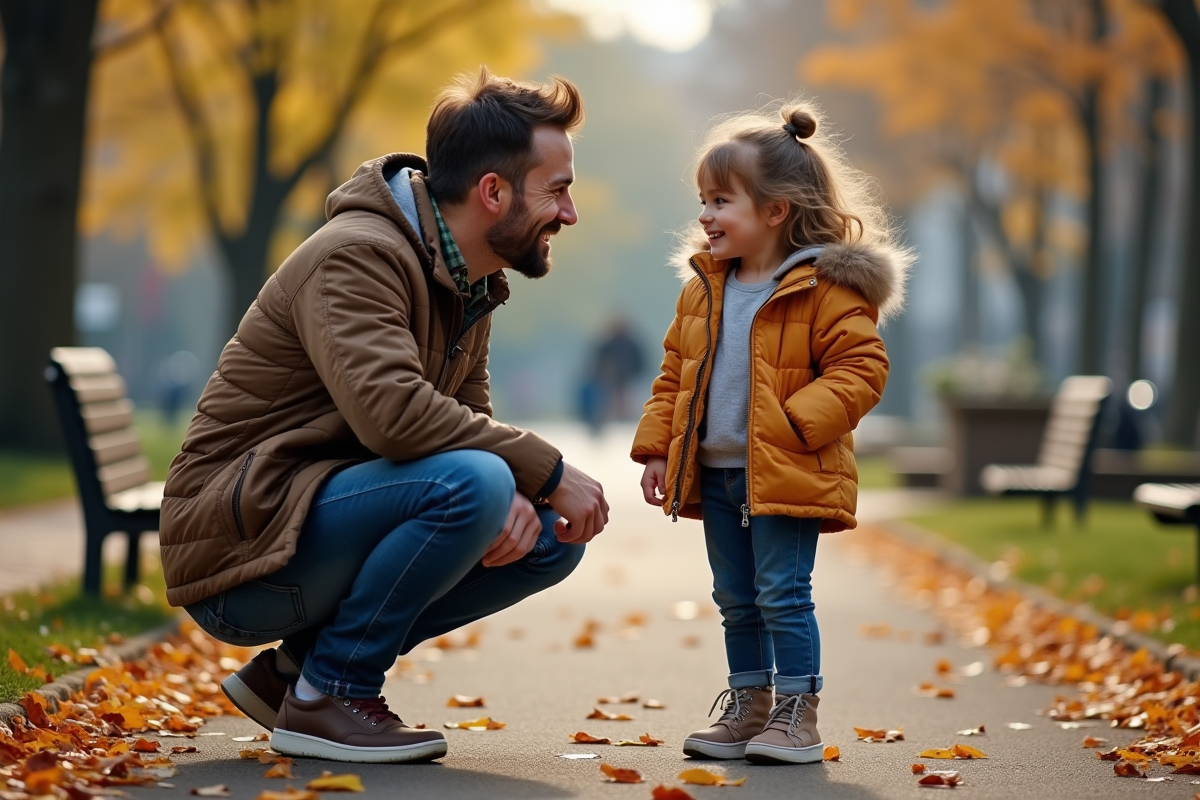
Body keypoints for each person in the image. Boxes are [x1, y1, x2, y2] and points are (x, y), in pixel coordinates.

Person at [159, 68, 609, 765]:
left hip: (309, 520)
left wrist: (524, 491)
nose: (570, 214)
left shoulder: (470, 278)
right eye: (557, 191)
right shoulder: (357, 255)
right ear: (493, 192)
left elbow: (467, 416)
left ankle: (293, 675)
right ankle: (331, 694)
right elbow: (394, 418)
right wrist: (539, 469)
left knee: (548, 534)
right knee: (479, 484)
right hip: (241, 548)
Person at [630, 101, 911, 765]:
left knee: (781, 593)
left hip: (785, 470)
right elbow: (675, 372)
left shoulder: (825, 289)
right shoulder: (705, 288)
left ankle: (797, 711)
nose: (706, 215)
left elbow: (861, 367)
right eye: (703, 200)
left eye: (721, 201)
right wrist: (657, 448)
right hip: (719, 470)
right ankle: (749, 704)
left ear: (775, 211)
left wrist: (793, 424)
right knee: (734, 598)